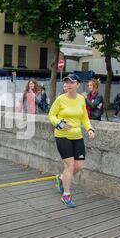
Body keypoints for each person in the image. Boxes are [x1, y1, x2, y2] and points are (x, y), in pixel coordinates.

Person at [48, 73, 96, 209]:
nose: (68, 85)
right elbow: (51, 115)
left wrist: (90, 129)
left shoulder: (81, 99)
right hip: (62, 135)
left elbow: (84, 118)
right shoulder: (60, 99)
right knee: (70, 165)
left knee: (79, 166)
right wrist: (60, 124)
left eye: (71, 82)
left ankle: (62, 178)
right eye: (66, 82)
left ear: (78, 85)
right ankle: (66, 195)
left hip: (77, 136)